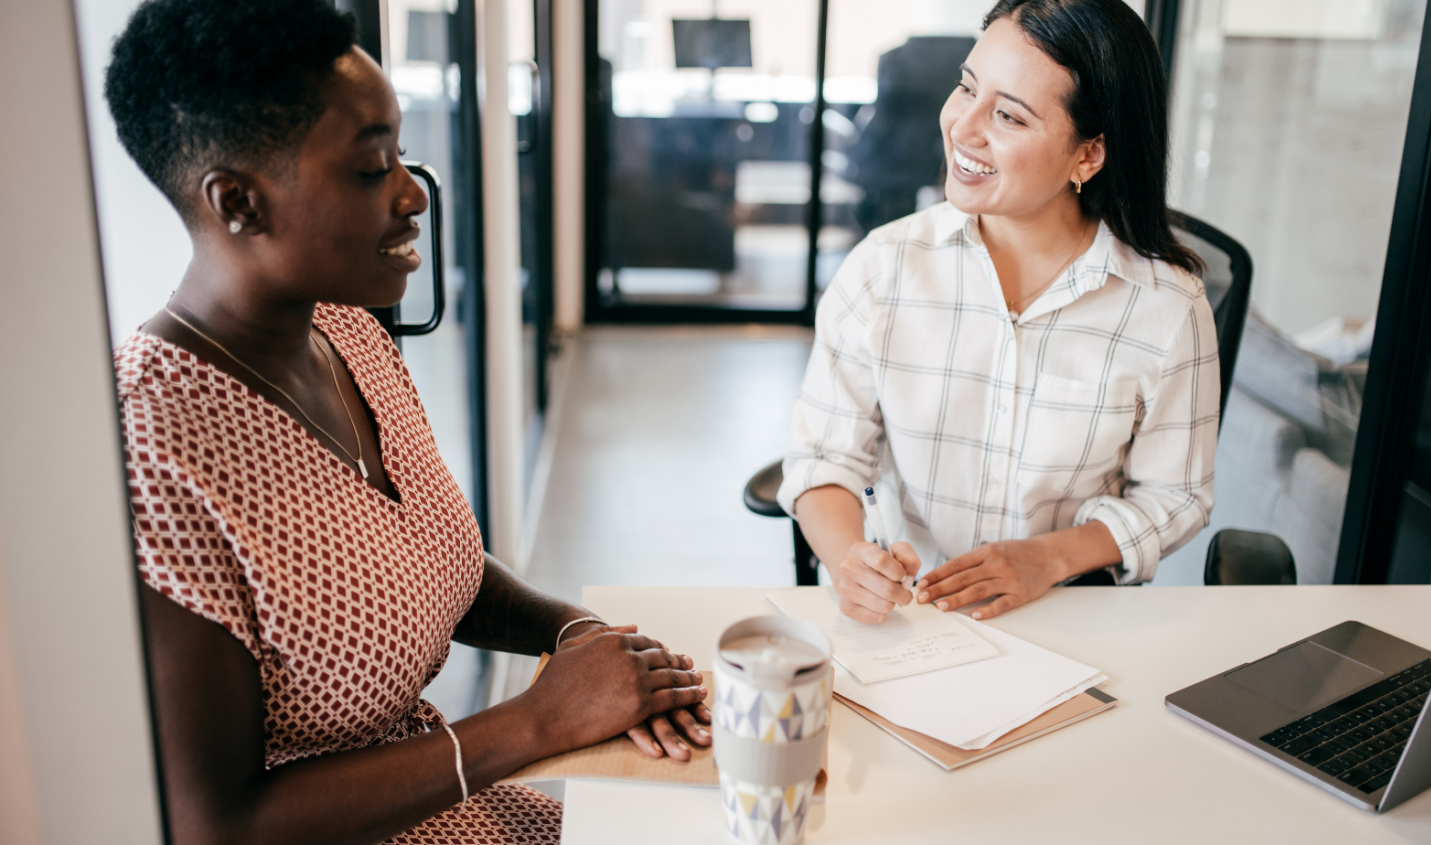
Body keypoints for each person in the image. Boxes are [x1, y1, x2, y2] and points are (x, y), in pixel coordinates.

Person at [105, 2, 708, 843]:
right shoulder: (149, 451)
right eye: (369, 167)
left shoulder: (344, 328)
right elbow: (216, 824)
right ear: (237, 201)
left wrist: (573, 632)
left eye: (400, 151)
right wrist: (535, 722)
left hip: (447, 800)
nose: (411, 192)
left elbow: (426, 566)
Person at [780, 0, 1217, 625]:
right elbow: (825, 457)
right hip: (913, 615)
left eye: (1009, 115)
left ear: (1088, 156)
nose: (964, 127)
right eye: (966, 87)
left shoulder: (1168, 307)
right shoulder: (884, 268)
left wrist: (1045, 559)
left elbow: (1176, 495)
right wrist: (852, 562)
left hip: (1073, 616)